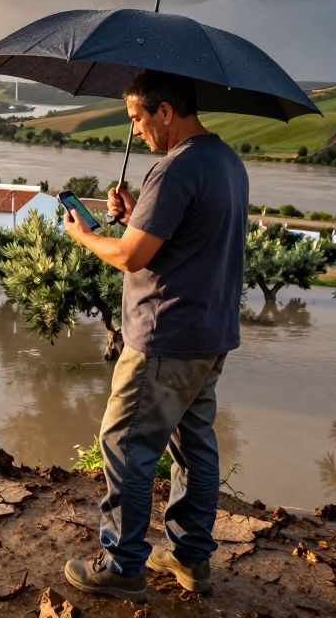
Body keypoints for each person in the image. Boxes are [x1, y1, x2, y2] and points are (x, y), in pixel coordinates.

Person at [60, 70, 249, 603]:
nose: (138, 130)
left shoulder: (176, 171)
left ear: (166, 111)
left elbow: (130, 256)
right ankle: (191, 559)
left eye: (139, 119)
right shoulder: (226, 161)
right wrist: (132, 213)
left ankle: (121, 565)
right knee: (194, 447)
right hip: (211, 333)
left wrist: (89, 234)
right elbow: (184, 237)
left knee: (124, 444)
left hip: (165, 336)